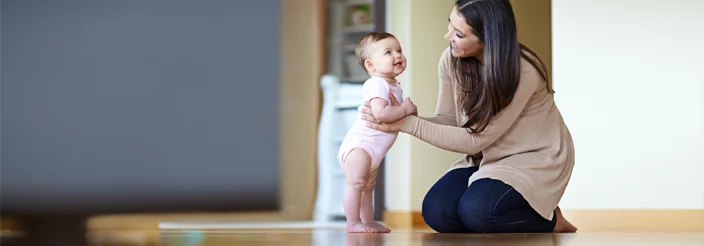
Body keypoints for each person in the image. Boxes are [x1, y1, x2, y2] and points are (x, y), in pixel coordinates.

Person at [359, 0, 578, 233]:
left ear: (487, 40)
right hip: (485, 157)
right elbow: (449, 120)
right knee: (438, 212)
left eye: (459, 34)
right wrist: (404, 120)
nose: (447, 36)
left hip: (532, 159)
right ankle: (493, 207)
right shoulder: (451, 59)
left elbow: (477, 139)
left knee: (479, 211)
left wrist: (407, 124)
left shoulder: (523, 72)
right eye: (450, 25)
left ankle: (551, 219)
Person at [338, 32, 417, 233]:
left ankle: (368, 221)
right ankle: (353, 223)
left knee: (368, 187)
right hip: (360, 146)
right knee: (356, 183)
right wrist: (405, 110)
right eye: (388, 52)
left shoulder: (393, 84)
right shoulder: (376, 84)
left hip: (373, 150)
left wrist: (407, 113)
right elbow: (381, 114)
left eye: (399, 50)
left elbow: (396, 116)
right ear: (370, 66)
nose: (397, 55)